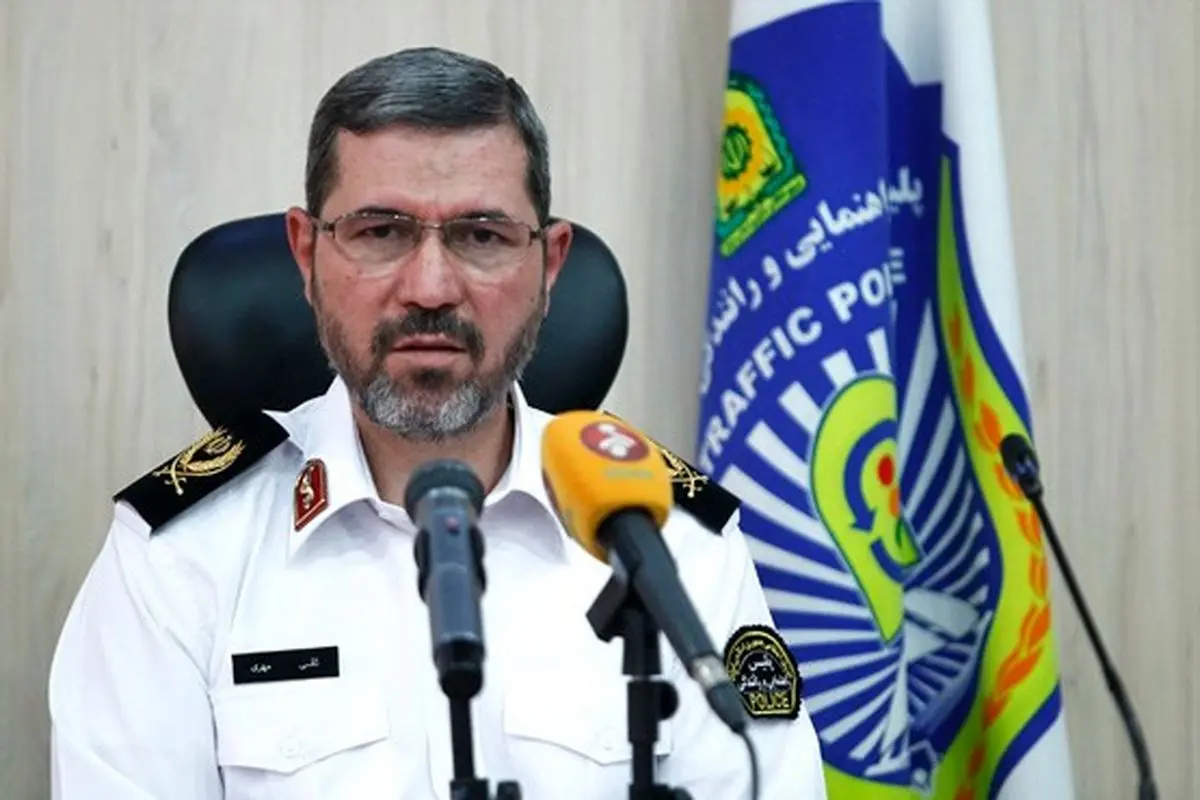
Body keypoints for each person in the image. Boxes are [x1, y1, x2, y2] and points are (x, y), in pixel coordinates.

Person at [47, 46, 828, 799]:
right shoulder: (183, 562)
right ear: (306, 255)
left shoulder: (667, 545)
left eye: (481, 236)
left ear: (550, 266)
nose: (429, 288)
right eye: (380, 232)